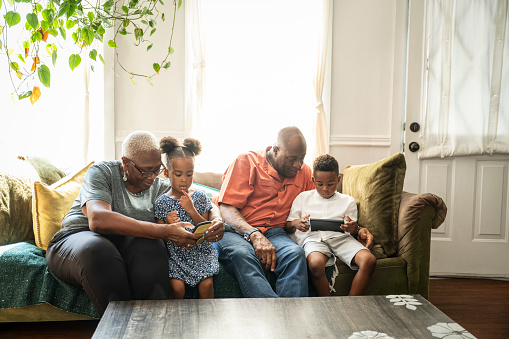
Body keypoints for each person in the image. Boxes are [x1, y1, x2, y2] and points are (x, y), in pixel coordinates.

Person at [45, 131, 224, 314]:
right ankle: (123, 329)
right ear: (125, 162)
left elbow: (206, 202)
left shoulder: (159, 187)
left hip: (124, 243)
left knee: (152, 248)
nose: (152, 177)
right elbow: (98, 219)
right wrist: (165, 231)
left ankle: (154, 327)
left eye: (156, 169)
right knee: (99, 250)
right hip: (78, 238)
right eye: (146, 170)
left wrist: (217, 220)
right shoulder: (102, 172)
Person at [214, 126, 374, 298]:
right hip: (236, 231)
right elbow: (227, 208)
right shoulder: (246, 161)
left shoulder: (304, 172)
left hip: (276, 232)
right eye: (292, 159)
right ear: (275, 150)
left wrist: (358, 229)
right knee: (242, 254)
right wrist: (254, 234)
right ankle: (275, 312)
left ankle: (292, 316)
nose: (297, 165)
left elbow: (323, 205)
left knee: (295, 254)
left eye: (302, 158)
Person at [285, 154, 376, 296]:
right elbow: (288, 225)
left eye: (331, 184)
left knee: (369, 260)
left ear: (338, 180)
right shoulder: (303, 198)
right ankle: (329, 304)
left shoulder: (348, 201)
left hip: (341, 239)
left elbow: (352, 229)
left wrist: (353, 229)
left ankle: (352, 301)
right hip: (313, 239)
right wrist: (297, 223)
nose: (325, 189)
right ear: (313, 180)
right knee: (315, 264)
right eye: (320, 184)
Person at [154, 136, 220, 299]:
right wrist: (168, 226)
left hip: (200, 251)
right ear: (167, 173)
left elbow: (206, 227)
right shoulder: (161, 202)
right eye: (178, 174)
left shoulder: (199, 197)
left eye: (189, 174)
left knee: (207, 285)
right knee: (177, 288)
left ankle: (208, 319)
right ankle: (176, 321)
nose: (184, 179)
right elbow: (160, 237)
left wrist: (192, 211)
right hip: (176, 254)